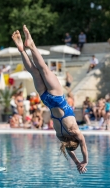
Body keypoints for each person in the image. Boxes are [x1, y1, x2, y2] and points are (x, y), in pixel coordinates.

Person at [12, 25, 88, 174]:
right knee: (34, 72)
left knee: (44, 69)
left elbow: (83, 146)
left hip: (58, 98)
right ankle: (21, 49)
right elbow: (69, 149)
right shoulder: (60, 135)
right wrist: (76, 161)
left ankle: (31, 45)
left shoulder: (76, 132)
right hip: (46, 100)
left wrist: (84, 161)